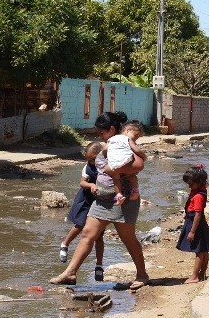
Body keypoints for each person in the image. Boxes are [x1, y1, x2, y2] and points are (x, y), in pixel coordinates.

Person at [50, 112, 150, 290]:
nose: (99, 136)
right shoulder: (107, 145)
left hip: (122, 200)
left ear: (112, 129)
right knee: (88, 233)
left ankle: (142, 275)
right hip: (103, 199)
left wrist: (115, 169)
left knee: (128, 239)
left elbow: (139, 164)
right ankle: (70, 273)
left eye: (101, 132)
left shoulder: (122, 144)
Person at [59, 141, 106, 281]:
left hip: (100, 202)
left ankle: (99, 265)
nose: (91, 161)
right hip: (86, 200)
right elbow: (82, 182)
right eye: (89, 159)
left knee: (99, 236)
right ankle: (65, 243)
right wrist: (91, 184)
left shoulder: (107, 165)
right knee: (79, 225)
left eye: (93, 159)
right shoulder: (88, 167)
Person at [176, 165, 209, 283]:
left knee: (199, 250)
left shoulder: (198, 196)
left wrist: (192, 231)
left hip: (195, 223)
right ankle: (202, 273)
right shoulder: (200, 190)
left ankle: (195, 276)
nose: (189, 186)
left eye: (191, 184)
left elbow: (197, 214)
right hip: (197, 222)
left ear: (199, 182)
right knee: (203, 249)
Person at [104, 120, 146, 205]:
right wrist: (144, 157)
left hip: (114, 165)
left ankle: (118, 195)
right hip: (126, 162)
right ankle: (135, 191)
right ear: (128, 130)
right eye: (136, 136)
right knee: (132, 176)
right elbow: (136, 150)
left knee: (116, 179)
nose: (135, 139)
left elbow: (105, 150)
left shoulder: (111, 139)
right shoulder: (127, 138)